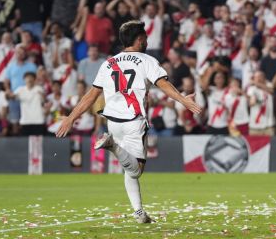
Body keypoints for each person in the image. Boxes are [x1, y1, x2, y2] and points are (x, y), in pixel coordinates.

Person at [56, 20, 202, 223]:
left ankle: (139, 212)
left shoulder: (109, 63)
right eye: (146, 38)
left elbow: (91, 95)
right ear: (139, 39)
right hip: (134, 120)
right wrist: (184, 99)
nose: (147, 41)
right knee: (137, 169)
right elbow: (164, 85)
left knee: (128, 169)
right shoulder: (147, 60)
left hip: (113, 122)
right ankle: (113, 147)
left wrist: (71, 118)